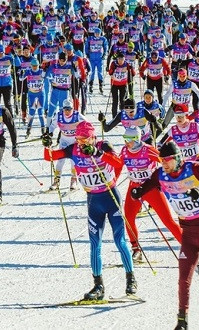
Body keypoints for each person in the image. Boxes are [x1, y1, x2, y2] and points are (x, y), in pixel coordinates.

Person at [132, 140, 199, 330]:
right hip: (188, 233)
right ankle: (182, 321)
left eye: (167, 160)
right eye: (161, 160)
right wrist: (137, 192)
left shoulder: (194, 169)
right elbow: (146, 186)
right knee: (184, 279)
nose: (163, 163)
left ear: (177, 158)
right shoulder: (161, 174)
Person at [42, 120, 136, 300]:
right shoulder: (73, 149)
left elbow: (118, 163)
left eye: (85, 139)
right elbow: (50, 157)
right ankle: (98, 286)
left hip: (110, 196)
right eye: (79, 139)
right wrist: (46, 145)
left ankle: (130, 279)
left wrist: (98, 153)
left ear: (93, 137)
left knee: (119, 240)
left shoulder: (103, 145)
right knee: (95, 244)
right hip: (93, 200)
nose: (82, 143)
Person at [120, 127, 182, 262]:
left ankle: (188, 248)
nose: (126, 142)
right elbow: (117, 166)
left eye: (129, 140)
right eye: (125, 139)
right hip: (134, 187)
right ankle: (136, 250)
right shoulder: (125, 151)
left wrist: (173, 174)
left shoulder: (147, 149)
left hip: (149, 188)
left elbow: (165, 161)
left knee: (167, 220)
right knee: (128, 218)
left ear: (136, 139)